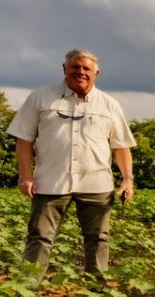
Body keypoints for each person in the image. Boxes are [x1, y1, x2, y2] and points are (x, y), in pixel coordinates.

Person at [8, 49, 135, 283]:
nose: (81, 72)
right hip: (50, 181)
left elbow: (122, 146)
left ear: (96, 73)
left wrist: (127, 178)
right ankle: (26, 291)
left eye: (86, 68)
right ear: (64, 69)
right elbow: (24, 140)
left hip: (97, 183)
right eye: (75, 67)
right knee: (40, 237)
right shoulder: (41, 98)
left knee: (98, 238)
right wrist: (25, 176)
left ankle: (95, 292)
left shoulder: (109, 104)